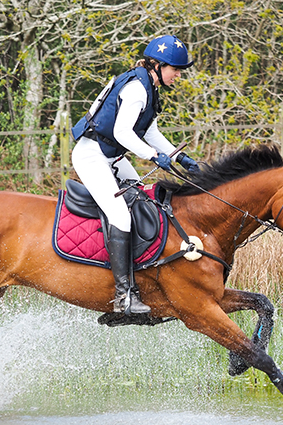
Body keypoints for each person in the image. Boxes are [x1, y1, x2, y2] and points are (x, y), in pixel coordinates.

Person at [70, 34, 200, 314]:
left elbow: (149, 132)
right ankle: (123, 296)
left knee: (142, 201)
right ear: (157, 66)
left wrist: (181, 158)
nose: (178, 75)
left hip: (111, 157)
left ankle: (139, 274)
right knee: (120, 215)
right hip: (92, 156)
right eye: (175, 69)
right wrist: (154, 156)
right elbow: (121, 133)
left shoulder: (149, 87)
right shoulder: (138, 90)